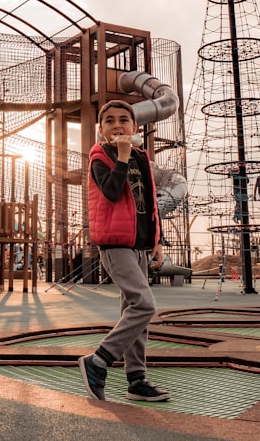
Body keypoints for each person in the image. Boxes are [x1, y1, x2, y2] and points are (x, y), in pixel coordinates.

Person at [78, 100, 170, 403]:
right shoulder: (100, 157)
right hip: (116, 244)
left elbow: (150, 205)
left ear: (134, 127)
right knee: (144, 305)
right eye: (109, 121)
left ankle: (136, 379)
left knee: (134, 312)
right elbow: (112, 191)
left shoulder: (142, 158)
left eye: (124, 120)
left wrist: (156, 239)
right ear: (101, 130)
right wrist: (121, 157)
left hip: (139, 245)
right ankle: (99, 360)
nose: (117, 125)